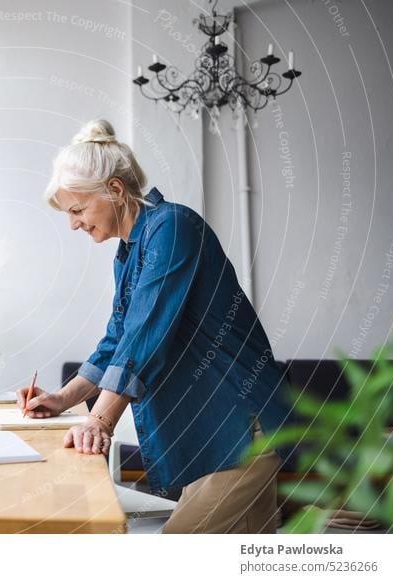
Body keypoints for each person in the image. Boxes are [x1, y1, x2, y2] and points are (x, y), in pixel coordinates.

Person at [17, 119, 296, 533]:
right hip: (211, 431)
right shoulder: (129, 252)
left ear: (114, 190)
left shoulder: (173, 227)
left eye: (77, 209)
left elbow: (147, 333)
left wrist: (101, 419)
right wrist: (63, 397)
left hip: (240, 423)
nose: (73, 223)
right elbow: (118, 337)